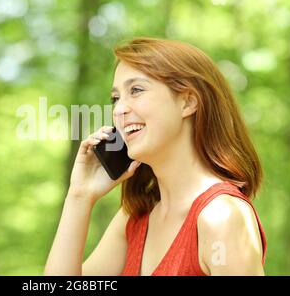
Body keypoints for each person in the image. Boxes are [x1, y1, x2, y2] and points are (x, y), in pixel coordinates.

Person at [44, 37, 267, 276]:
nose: (119, 110)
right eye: (116, 98)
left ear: (188, 102)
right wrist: (80, 196)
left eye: (136, 90)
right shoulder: (135, 218)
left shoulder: (222, 217)